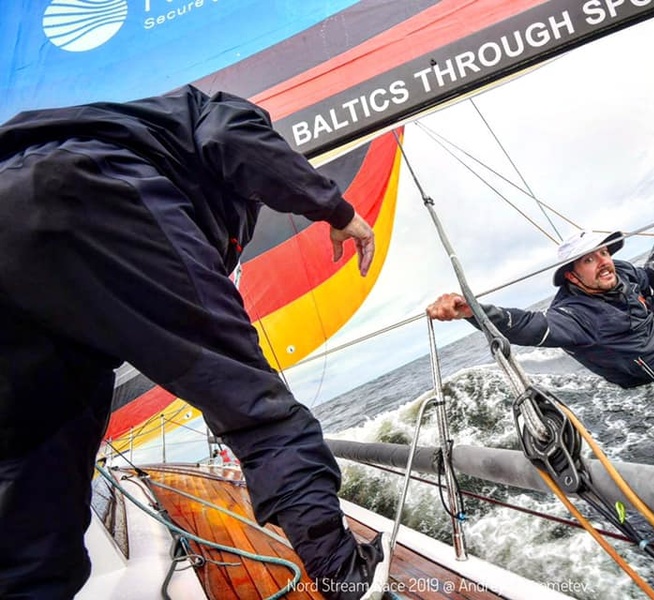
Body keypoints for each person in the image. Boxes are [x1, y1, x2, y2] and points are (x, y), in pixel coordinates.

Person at [0, 86, 388, 599]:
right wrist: (336, 210)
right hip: (94, 192)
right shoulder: (203, 111)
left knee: (33, 450)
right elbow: (231, 133)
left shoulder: (105, 124)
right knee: (255, 407)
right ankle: (345, 574)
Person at [427, 229, 654, 388]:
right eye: (588, 260)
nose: (603, 262)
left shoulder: (617, 268)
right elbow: (525, 326)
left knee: (647, 283)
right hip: (642, 366)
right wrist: (469, 310)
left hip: (643, 325)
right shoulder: (572, 316)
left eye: (603, 252)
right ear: (572, 276)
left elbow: (646, 280)